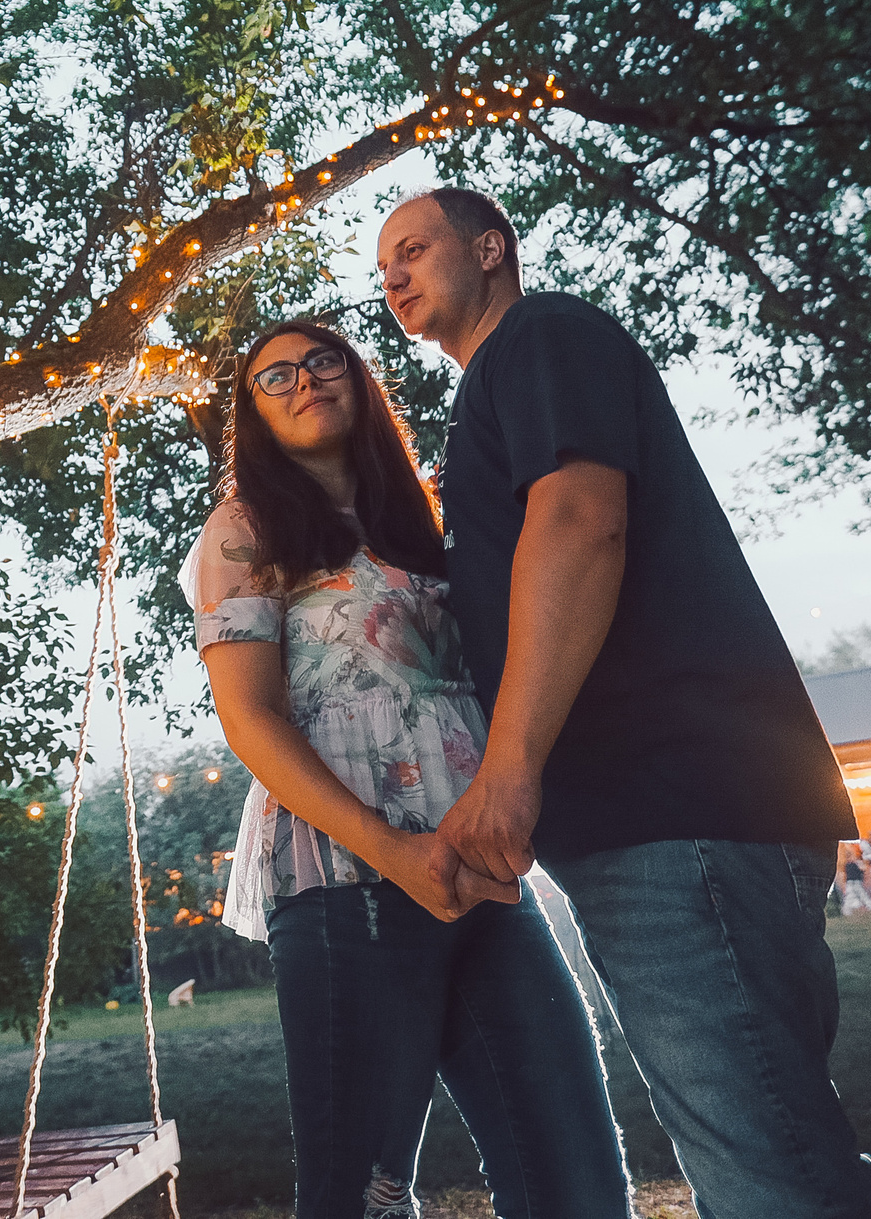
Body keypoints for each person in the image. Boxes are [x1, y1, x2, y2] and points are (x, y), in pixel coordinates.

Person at [380, 187, 871, 1219]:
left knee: (766, 1173)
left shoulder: (538, 334)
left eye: (412, 248)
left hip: (678, 809)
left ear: (490, 248)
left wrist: (509, 772)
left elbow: (578, 521)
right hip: (672, 821)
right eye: (380, 265)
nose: (391, 274)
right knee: (776, 1147)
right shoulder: (502, 379)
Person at [185, 318, 628, 1219]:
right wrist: (392, 851)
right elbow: (250, 718)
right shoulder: (243, 530)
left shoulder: (429, 518)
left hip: (482, 859)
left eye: (322, 361)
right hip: (349, 872)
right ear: (254, 415)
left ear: (357, 378)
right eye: (275, 378)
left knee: (573, 1170)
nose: (304, 381)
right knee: (362, 1192)